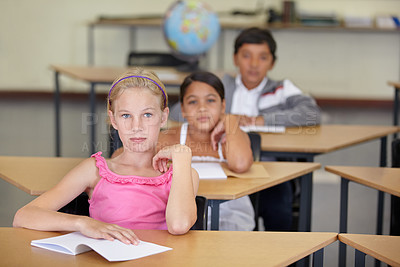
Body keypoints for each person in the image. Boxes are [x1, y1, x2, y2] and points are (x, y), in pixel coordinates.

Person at [13, 68, 199, 244]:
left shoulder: (183, 174)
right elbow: (24, 216)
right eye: (126, 116)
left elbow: (179, 225)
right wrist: (82, 223)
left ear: (163, 117)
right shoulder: (95, 170)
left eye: (147, 114)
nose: (137, 126)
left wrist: (182, 158)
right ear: (113, 120)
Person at [169, 27, 321, 231]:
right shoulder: (222, 84)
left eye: (262, 57)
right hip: (223, 162)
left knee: (278, 209)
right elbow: (178, 111)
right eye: (246, 56)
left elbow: (311, 113)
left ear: (272, 62)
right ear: (235, 59)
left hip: (267, 166)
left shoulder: (281, 89)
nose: (254, 64)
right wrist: (219, 117)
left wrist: (260, 120)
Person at [159, 71, 255, 231]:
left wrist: (230, 120)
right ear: (182, 109)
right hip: (181, 218)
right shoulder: (170, 138)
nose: (202, 108)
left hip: (230, 217)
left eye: (210, 100)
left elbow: (240, 164)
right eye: (192, 102)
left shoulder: (233, 135)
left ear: (223, 105)